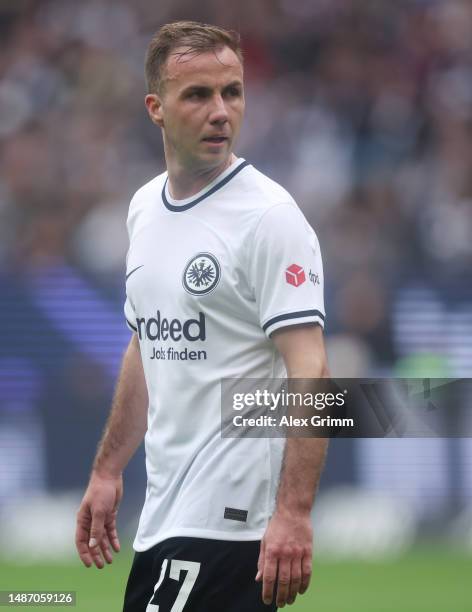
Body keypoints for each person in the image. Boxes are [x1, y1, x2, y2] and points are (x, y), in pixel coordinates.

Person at [75, 21, 329, 611]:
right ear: (155, 108)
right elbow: (148, 345)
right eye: (198, 95)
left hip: (234, 524)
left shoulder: (270, 217)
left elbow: (311, 369)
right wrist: (108, 471)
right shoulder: (144, 209)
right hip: (164, 513)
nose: (220, 111)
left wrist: (293, 512)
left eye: (232, 92)